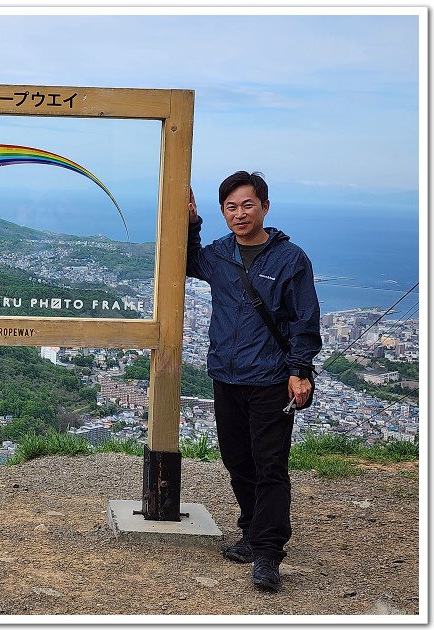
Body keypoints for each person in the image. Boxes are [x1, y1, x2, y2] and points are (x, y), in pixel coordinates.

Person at [186, 171, 321, 592]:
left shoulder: (289, 259)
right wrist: (192, 224)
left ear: (264, 206)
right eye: (231, 207)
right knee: (237, 461)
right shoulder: (221, 254)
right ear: (222, 211)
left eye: (248, 205)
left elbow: (304, 319)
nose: (240, 214)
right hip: (226, 376)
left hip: (269, 379)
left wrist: (299, 371)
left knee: (269, 467)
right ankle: (251, 531)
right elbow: (187, 262)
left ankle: (267, 553)